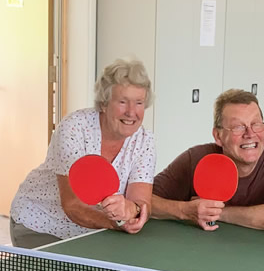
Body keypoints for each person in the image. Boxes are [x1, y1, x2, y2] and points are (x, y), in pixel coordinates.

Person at [10, 58, 156, 248]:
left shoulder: (145, 140)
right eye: (122, 102)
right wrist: (117, 223)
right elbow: (73, 205)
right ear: (104, 103)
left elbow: (142, 200)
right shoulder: (74, 128)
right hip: (40, 223)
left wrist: (133, 210)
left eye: (139, 103)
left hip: (92, 230)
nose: (131, 112)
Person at [151, 89, 264, 232]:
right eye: (238, 127)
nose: (250, 134)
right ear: (218, 136)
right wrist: (184, 210)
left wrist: (217, 213)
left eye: (256, 124)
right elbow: (143, 200)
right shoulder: (195, 159)